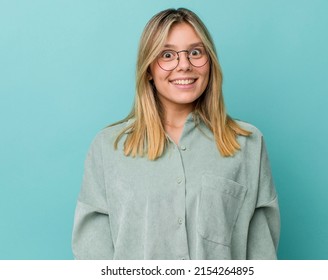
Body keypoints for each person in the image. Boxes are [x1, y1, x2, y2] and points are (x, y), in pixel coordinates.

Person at [72, 7, 280, 260]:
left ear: (210, 62)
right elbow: (92, 256)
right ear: (148, 69)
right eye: (167, 55)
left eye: (195, 52)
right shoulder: (109, 148)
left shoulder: (248, 144)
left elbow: (262, 254)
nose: (184, 65)